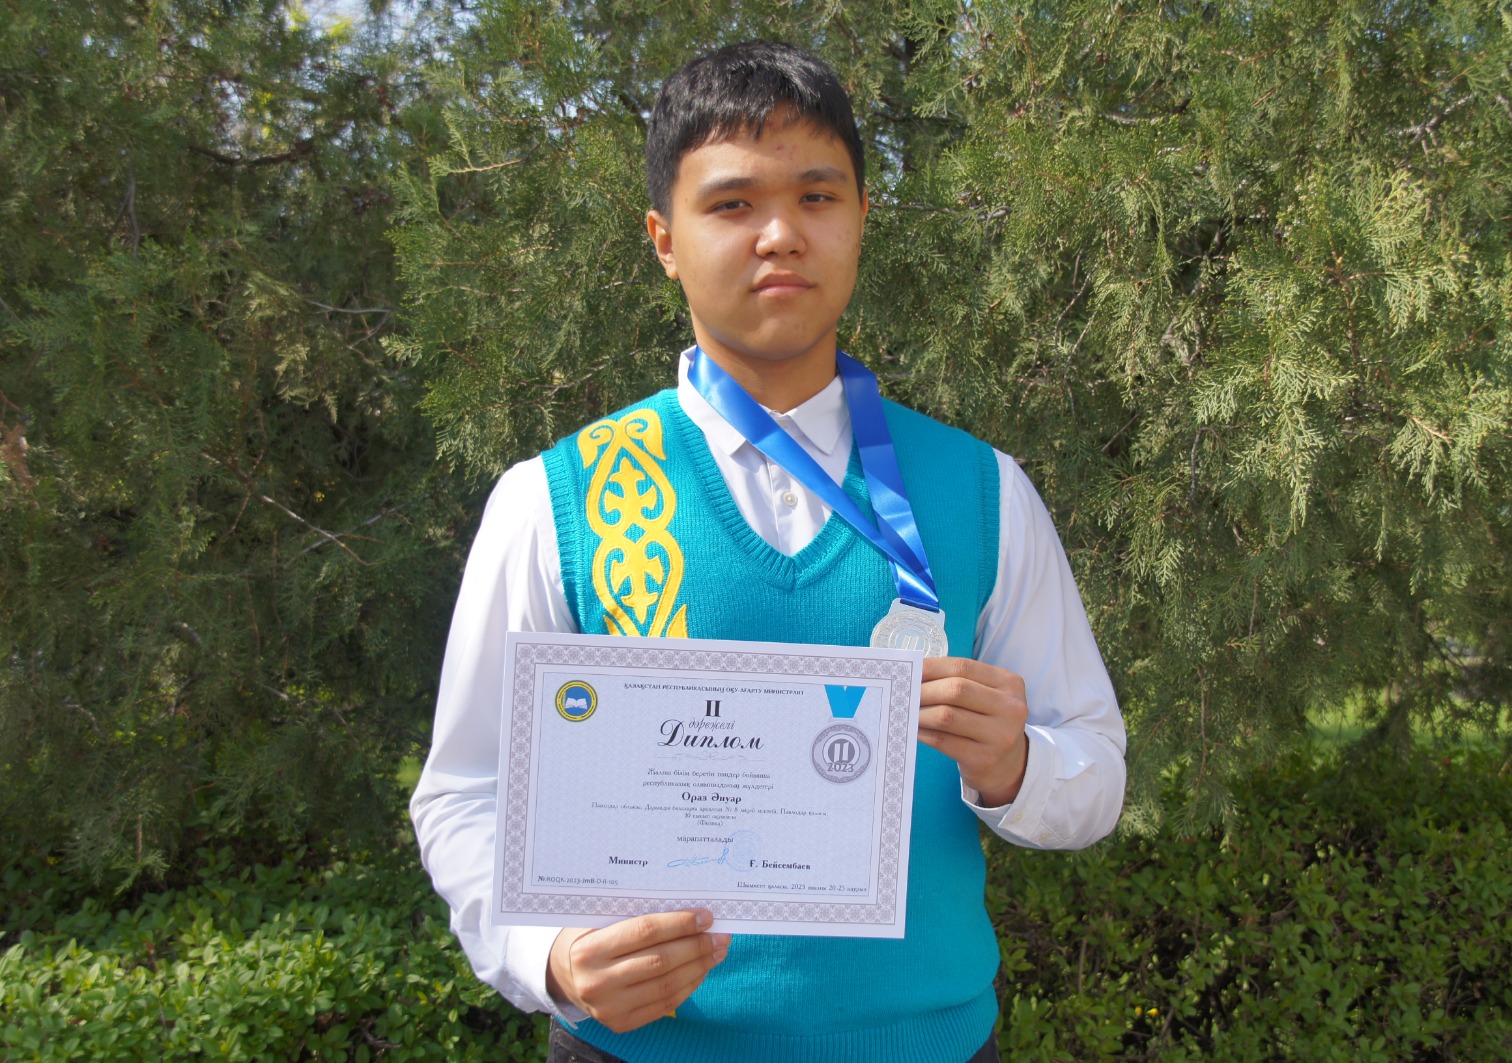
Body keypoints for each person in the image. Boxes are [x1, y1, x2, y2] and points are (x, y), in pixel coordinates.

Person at [411, 40, 1126, 1063]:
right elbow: (466, 791)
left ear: (862, 218)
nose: (781, 234)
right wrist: (550, 955)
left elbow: (1094, 771)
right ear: (664, 239)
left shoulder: (982, 491)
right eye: (732, 203)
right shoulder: (556, 501)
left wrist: (1016, 763)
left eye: (817, 197)